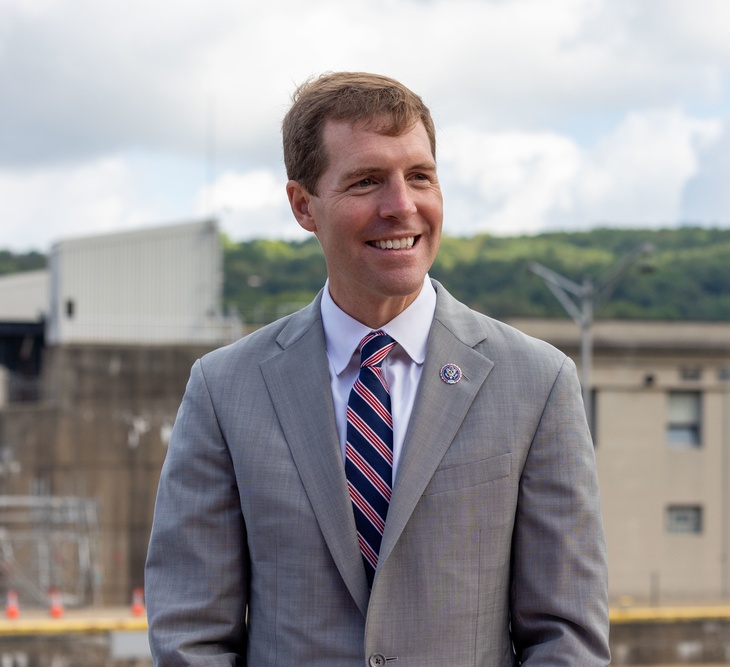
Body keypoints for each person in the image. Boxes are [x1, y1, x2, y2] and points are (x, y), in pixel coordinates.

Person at [145, 71, 610, 666]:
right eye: (367, 182)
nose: (402, 206)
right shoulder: (224, 390)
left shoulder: (537, 384)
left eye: (420, 177)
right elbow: (190, 634)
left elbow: (566, 638)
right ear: (302, 206)